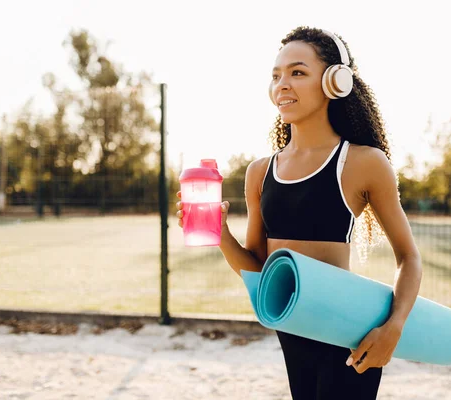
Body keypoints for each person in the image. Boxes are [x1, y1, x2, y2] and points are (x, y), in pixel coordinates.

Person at [177, 26, 422, 400]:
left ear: (335, 82)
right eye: (275, 76)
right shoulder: (260, 172)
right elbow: (261, 270)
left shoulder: (362, 162)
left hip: (350, 334)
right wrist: (219, 232)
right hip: (291, 330)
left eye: (297, 72)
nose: (282, 84)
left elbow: (408, 256)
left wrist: (394, 327)